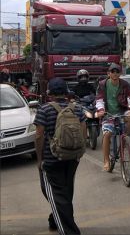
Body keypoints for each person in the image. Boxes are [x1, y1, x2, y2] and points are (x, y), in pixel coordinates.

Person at [34, 78, 86, 234]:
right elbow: (84, 132)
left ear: (49, 92)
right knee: (65, 191)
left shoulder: (44, 109)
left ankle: (69, 231)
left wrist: (39, 160)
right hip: (72, 158)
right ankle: (54, 219)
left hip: (52, 159)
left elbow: (38, 136)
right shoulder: (77, 109)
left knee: (52, 192)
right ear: (66, 92)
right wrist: (78, 153)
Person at [95, 63, 130, 171]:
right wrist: (101, 110)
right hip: (108, 113)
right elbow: (99, 100)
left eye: (117, 72)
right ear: (109, 73)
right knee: (107, 135)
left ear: (120, 73)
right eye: (113, 72)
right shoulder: (103, 84)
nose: (115, 74)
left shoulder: (125, 84)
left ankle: (124, 138)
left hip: (122, 110)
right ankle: (106, 161)